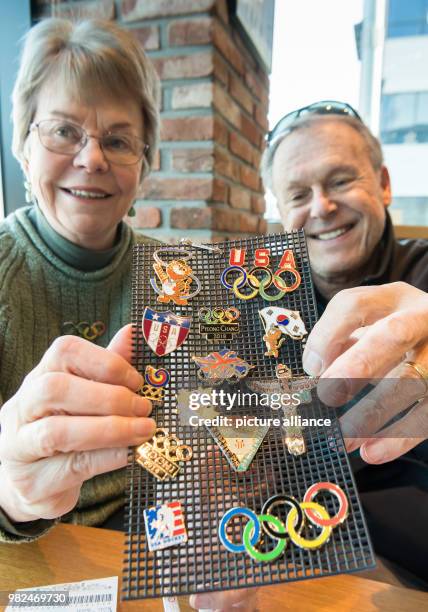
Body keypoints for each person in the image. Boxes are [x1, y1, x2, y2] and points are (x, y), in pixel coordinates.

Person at [0, 17, 255, 611]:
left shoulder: (182, 280)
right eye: (64, 130)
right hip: (22, 557)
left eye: (117, 140)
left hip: (157, 561)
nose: (91, 159)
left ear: (144, 162)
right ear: (21, 142)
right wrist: (8, 492)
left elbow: (221, 438)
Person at [261, 100, 428, 587]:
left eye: (339, 181)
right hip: (289, 567)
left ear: (384, 184)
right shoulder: (259, 312)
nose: (321, 207)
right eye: (297, 193)